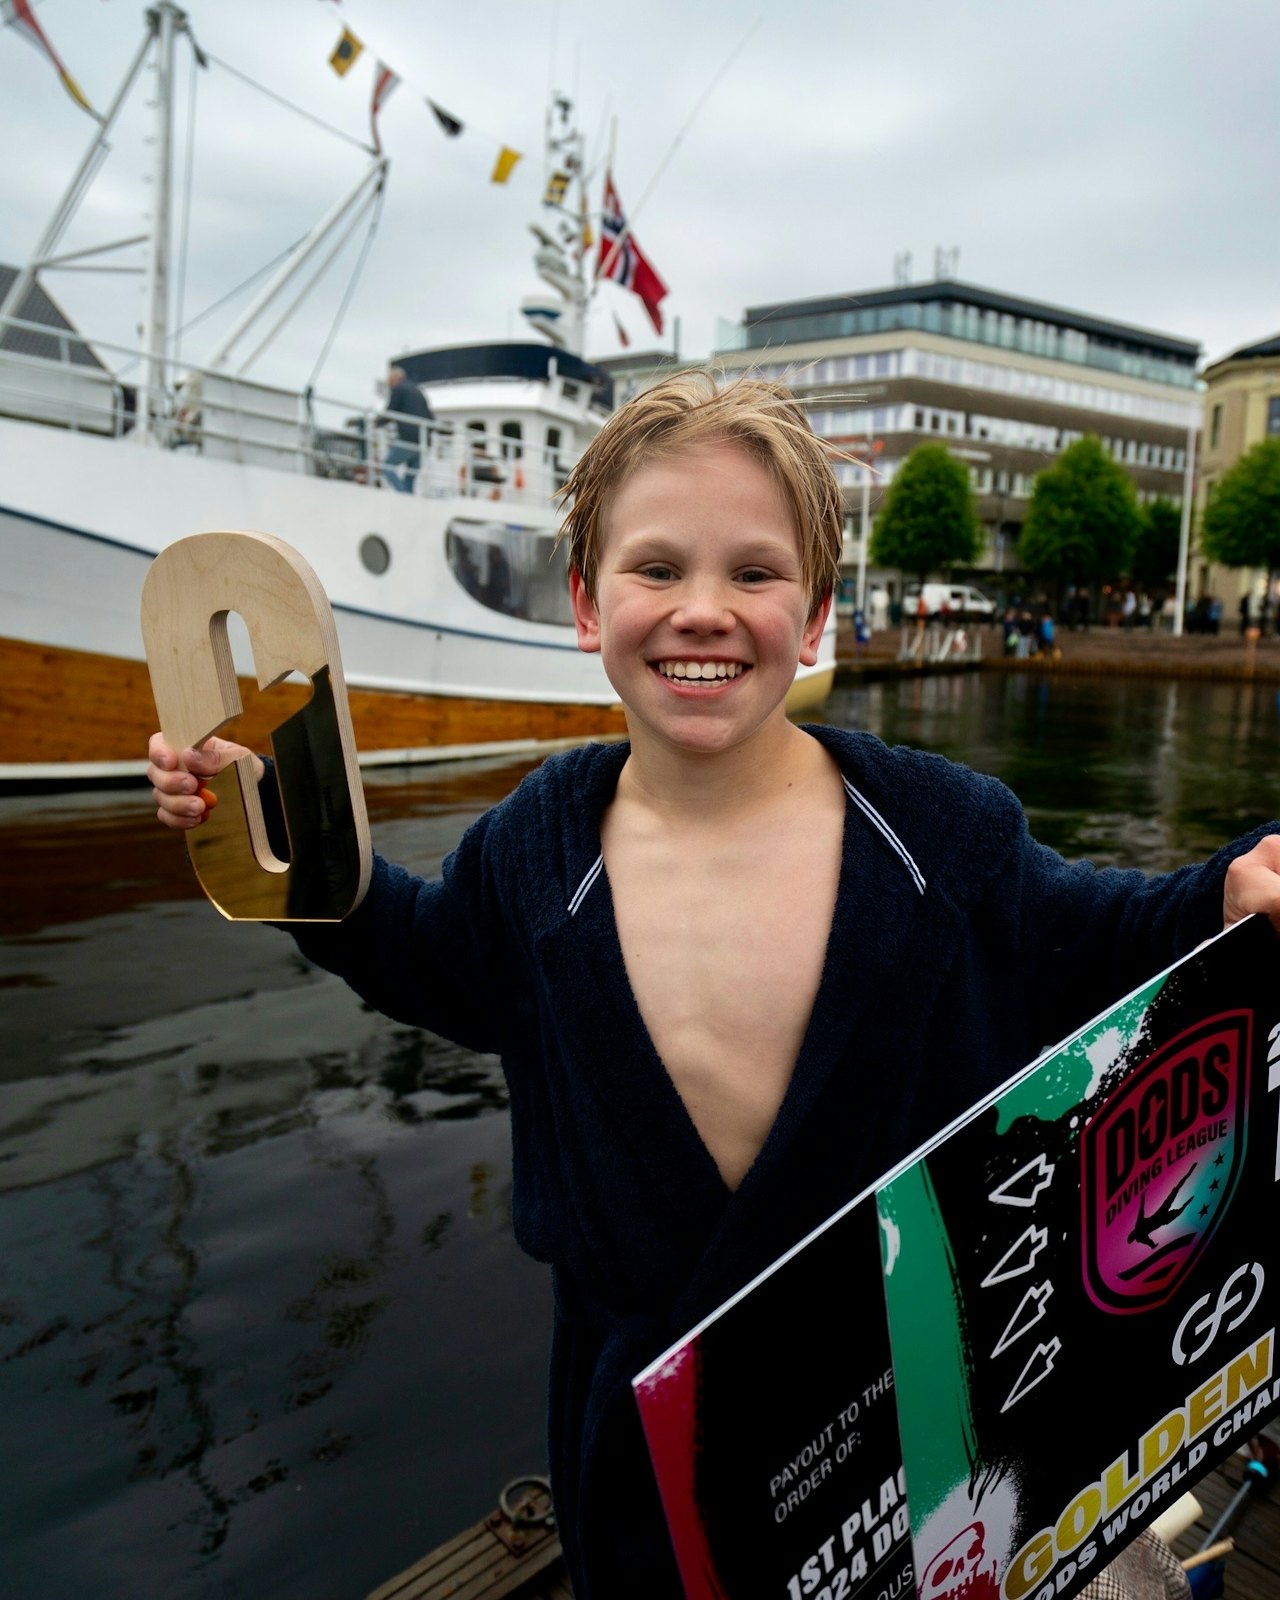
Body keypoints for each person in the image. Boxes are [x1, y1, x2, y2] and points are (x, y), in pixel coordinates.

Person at [145, 373, 1280, 1596]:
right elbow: (427, 957)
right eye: (655, 569)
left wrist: (1221, 894)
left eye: (752, 573)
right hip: (645, 1461)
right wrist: (276, 835)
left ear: (816, 611)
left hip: (911, 1419)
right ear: (585, 605)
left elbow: (1085, 938)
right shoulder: (534, 852)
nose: (703, 611)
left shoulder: (935, 833)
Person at [382, 365, 434, 493]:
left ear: (394, 379)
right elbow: (430, 417)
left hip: (408, 439)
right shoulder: (418, 391)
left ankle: (403, 495)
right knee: (410, 478)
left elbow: (390, 411)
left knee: (387, 466)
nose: (389, 385)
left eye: (389, 382)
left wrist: (374, 423)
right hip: (424, 442)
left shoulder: (398, 389)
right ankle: (409, 501)